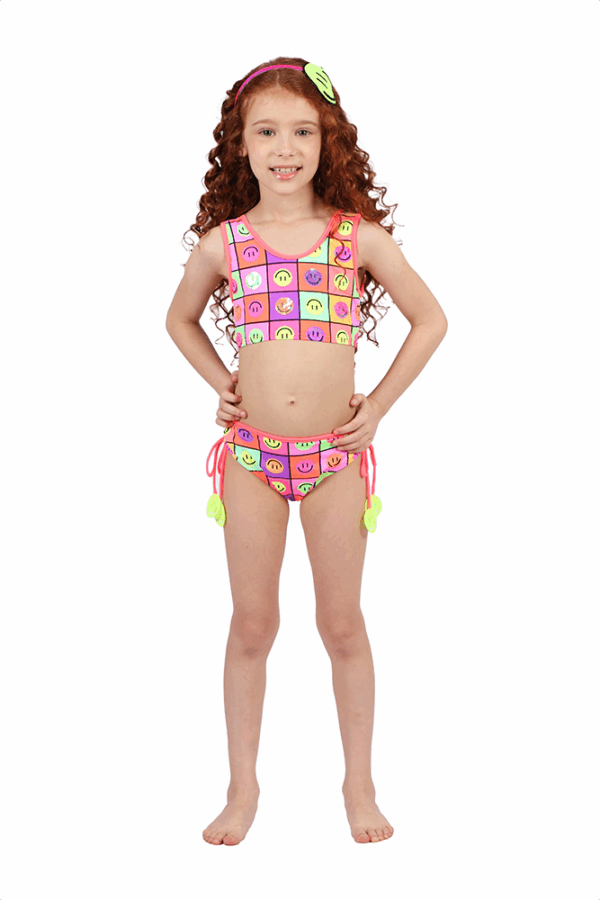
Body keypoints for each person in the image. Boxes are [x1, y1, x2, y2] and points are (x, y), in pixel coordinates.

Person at [166, 57, 448, 846]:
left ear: (329, 142)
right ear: (240, 144)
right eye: (266, 132)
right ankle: (242, 788)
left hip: (335, 458)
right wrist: (222, 382)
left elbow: (432, 319)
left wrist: (377, 407)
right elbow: (178, 320)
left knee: (342, 624)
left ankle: (359, 784)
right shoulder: (224, 244)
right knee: (252, 624)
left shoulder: (357, 239)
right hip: (252, 457)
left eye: (302, 132)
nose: (284, 148)